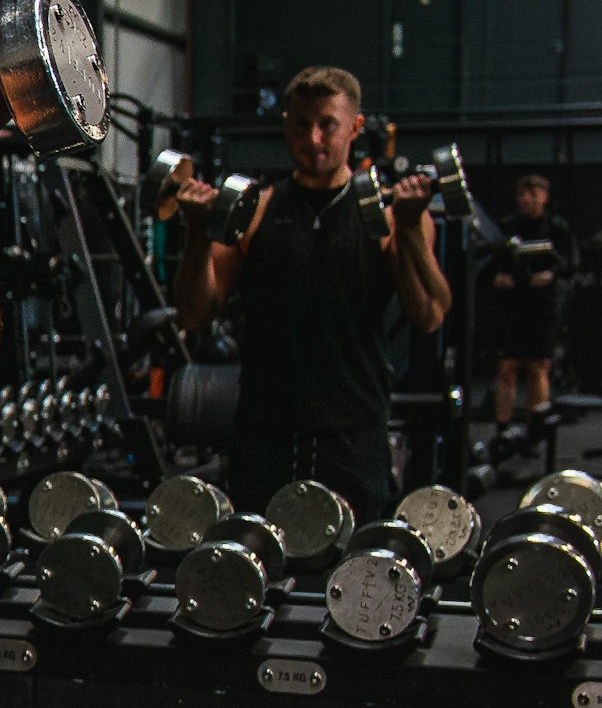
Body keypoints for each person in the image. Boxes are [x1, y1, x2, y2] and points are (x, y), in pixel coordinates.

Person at [172, 63, 451, 519]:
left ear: (355, 128)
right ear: (287, 124)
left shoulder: (389, 214)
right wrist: (198, 233)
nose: (314, 139)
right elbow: (194, 313)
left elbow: (429, 315)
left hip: (354, 432)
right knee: (258, 573)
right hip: (265, 433)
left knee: (356, 579)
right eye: (302, 125)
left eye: (328, 125)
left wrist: (410, 230)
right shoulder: (257, 209)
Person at [491, 171, 570, 425]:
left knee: (538, 367)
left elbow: (570, 262)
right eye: (522, 195)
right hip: (513, 306)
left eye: (532, 194)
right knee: (507, 367)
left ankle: (536, 431)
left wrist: (552, 275)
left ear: (544, 197)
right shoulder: (507, 226)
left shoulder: (557, 228)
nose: (526, 199)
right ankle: (503, 428)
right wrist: (497, 277)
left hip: (542, 308)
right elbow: (490, 261)